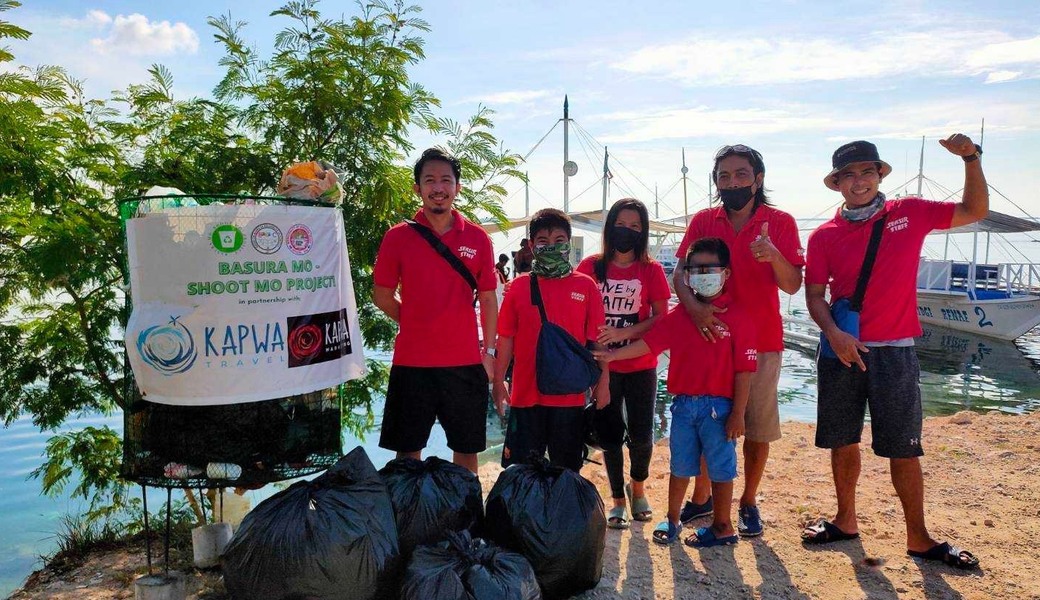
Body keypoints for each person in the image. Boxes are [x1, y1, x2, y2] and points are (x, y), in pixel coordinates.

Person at [802, 136, 987, 570]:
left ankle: (918, 537)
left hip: (896, 351)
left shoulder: (910, 212)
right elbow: (813, 295)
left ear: (880, 175)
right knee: (842, 441)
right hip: (841, 350)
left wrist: (970, 159)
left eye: (867, 171)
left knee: (904, 447)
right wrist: (834, 334)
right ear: (837, 183)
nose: (859, 181)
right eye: (849, 175)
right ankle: (845, 521)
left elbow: (974, 209)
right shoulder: (824, 235)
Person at [672, 144, 804, 537]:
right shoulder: (703, 221)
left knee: (756, 427)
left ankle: (748, 500)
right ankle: (704, 498)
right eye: (724, 176)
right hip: (710, 338)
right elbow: (679, 273)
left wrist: (774, 255)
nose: (732, 183)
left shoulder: (780, 222)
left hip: (761, 340)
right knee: (709, 424)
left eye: (741, 174)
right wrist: (694, 310)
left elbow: (793, 285)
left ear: (758, 179)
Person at [595, 238, 756, 547]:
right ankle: (672, 519)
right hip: (683, 406)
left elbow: (744, 370)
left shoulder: (739, 316)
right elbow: (650, 344)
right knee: (680, 464)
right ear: (687, 274)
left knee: (721, 467)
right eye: (696, 270)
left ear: (726, 273)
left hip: (720, 408)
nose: (703, 275)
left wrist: (738, 413)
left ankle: (723, 525)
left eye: (710, 269)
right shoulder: (681, 315)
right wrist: (613, 356)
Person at [372, 147, 498, 474]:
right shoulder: (397, 237)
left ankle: (466, 505)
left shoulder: (478, 238)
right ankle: (408, 505)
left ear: (457, 187)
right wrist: (417, 322)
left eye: (446, 180)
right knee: (407, 451)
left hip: (465, 362)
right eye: (429, 180)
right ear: (418, 188)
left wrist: (489, 353)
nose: (438, 187)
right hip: (412, 362)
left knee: (466, 449)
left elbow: (488, 299)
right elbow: (382, 295)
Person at [576, 198, 670, 529]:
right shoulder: (590, 267)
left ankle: (637, 487)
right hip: (603, 366)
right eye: (620, 224)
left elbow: (661, 317)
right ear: (609, 227)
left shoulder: (651, 270)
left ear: (643, 232)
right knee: (610, 435)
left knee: (643, 436)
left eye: (634, 226)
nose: (626, 231)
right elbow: (578, 312)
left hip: (641, 363)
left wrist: (625, 332)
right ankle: (617, 498)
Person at [492, 208, 610, 472]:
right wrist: (499, 382)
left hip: (569, 398)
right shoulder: (518, 287)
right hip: (525, 396)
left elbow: (598, 342)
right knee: (520, 472)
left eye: (559, 240)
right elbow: (506, 339)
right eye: (543, 241)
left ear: (568, 242)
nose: (552, 246)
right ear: (531, 246)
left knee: (566, 473)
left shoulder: (586, 286)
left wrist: (603, 383)